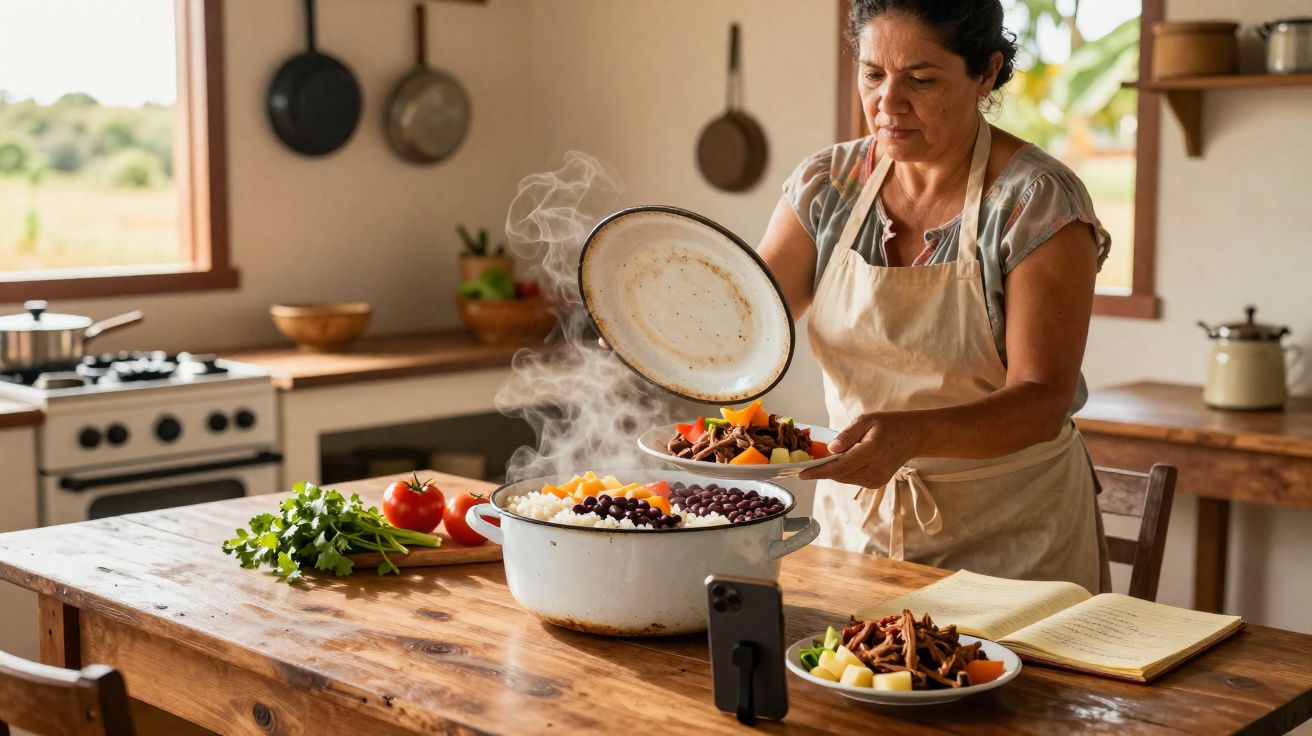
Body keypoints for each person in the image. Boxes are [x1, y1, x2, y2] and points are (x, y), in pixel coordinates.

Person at [762, 0, 1112, 593]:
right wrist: (655, 333)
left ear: (986, 73)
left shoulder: (1037, 201)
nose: (888, 103)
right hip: (858, 529)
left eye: (921, 80)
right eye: (873, 74)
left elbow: (1043, 399)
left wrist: (915, 435)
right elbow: (748, 323)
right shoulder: (828, 186)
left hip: (1013, 539)